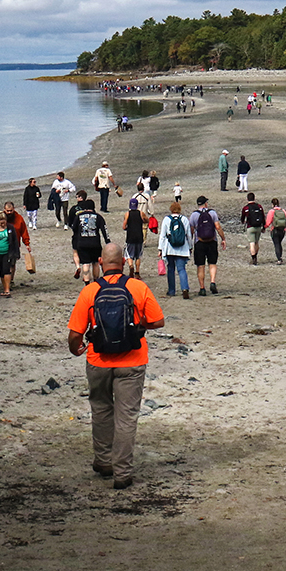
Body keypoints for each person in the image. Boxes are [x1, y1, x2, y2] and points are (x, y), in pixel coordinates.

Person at [66, 244, 166, 490]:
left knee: (101, 409)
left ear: (101, 262)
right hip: (132, 360)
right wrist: (138, 324)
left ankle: (103, 461)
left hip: (98, 360)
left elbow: (75, 333)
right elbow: (158, 321)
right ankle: (122, 472)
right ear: (123, 262)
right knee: (126, 416)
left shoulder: (90, 291)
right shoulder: (138, 287)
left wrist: (75, 348)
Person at [0, 205, 30, 298]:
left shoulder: (14, 223)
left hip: (9, 251)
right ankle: (5, 287)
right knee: (1, 271)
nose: (9, 212)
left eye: (11, 210)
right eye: (8, 211)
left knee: (8, 268)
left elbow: (18, 236)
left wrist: (26, 244)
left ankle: (8, 288)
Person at [189, 195, 227, 296]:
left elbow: (191, 231)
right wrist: (223, 238)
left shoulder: (194, 215)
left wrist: (190, 244)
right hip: (212, 241)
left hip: (199, 242)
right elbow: (218, 227)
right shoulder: (212, 213)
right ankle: (212, 282)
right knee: (212, 263)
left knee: (200, 266)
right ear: (205, 203)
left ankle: (202, 288)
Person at [69, 191, 107, 282]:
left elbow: (74, 227)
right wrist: (108, 241)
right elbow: (104, 230)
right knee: (95, 263)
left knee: (85, 264)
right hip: (95, 242)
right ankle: (96, 281)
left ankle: (87, 283)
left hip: (82, 242)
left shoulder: (79, 216)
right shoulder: (98, 216)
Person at [158, 200, 192, 299]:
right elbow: (188, 235)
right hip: (182, 247)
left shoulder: (166, 219)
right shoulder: (184, 219)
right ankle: (184, 288)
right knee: (181, 269)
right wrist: (190, 246)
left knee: (171, 269)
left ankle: (172, 290)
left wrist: (160, 249)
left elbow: (162, 235)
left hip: (170, 248)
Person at [239, 192, 266, 265]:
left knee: (252, 243)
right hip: (258, 226)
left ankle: (253, 258)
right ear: (254, 198)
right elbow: (263, 216)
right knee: (256, 242)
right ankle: (256, 255)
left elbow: (242, 217)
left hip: (250, 227)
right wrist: (264, 226)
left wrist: (243, 222)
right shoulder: (259, 206)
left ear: (247, 199)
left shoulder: (246, 208)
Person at [123, 198, 148, 277]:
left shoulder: (127, 214)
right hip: (139, 237)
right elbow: (147, 220)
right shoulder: (141, 213)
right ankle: (137, 272)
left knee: (128, 254)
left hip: (130, 237)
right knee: (138, 256)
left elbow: (124, 226)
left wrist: (127, 228)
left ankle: (131, 266)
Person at [265, 197, 286, 264]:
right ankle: (280, 257)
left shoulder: (271, 211)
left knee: (276, 244)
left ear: (272, 204)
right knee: (279, 243)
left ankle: (279, 259)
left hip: (275, 230)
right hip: (282, 230)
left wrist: (264, 227)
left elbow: (268, 222)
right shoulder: (283, 210)